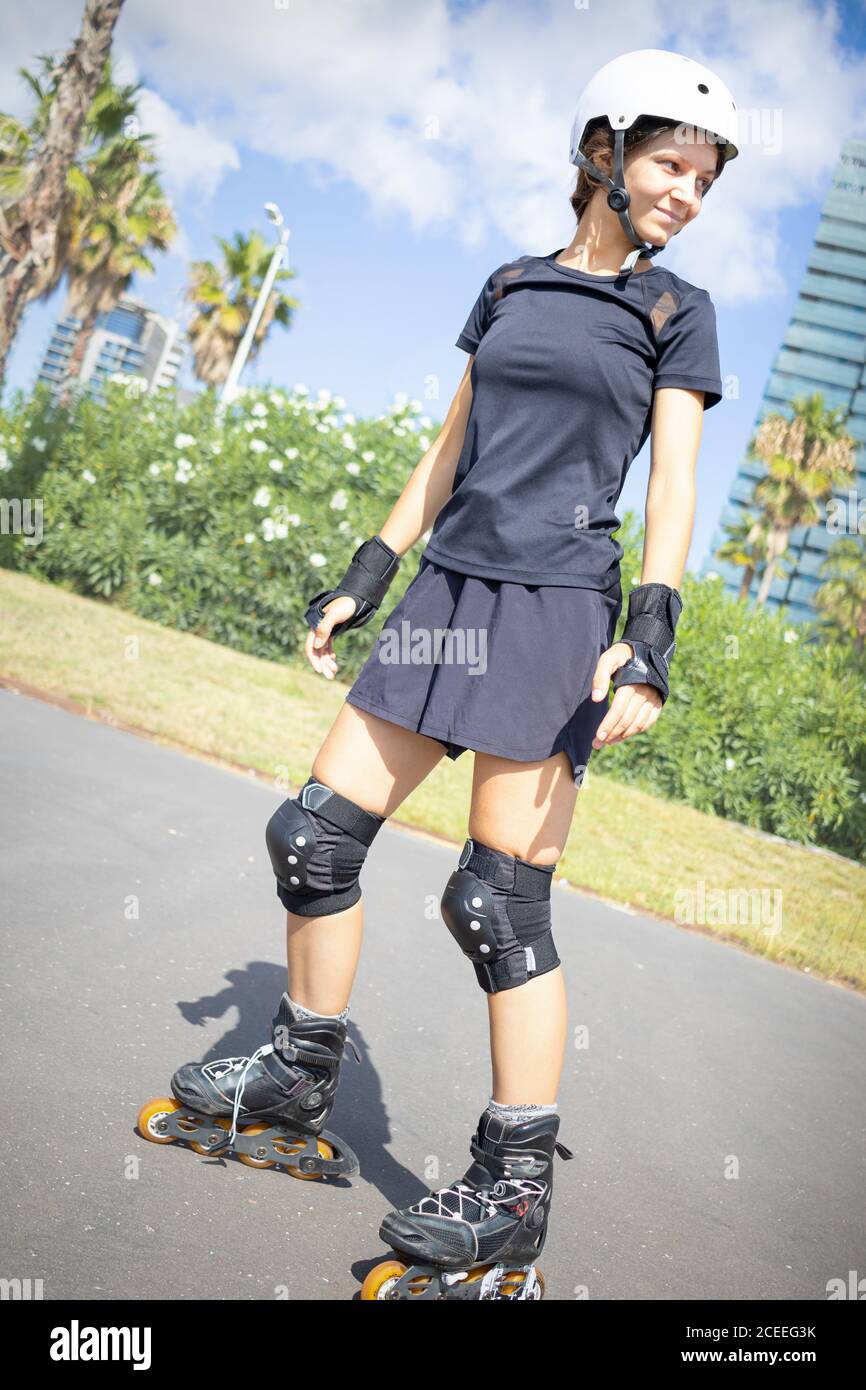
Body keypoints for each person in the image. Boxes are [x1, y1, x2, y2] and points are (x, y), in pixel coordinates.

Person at [171, 48, 739, 1299]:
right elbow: (447, 448)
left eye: (704, 179)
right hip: (447, 598)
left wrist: (648, 632)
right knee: (312, 837)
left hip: (552, 613)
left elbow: (676, 485)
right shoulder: (510, 283)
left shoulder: (674, 312)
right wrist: (365, 572)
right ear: (603, 150)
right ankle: (295, 1071)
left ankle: (512, 1192)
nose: (686, 193)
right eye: (667, 164)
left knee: (494, 903)